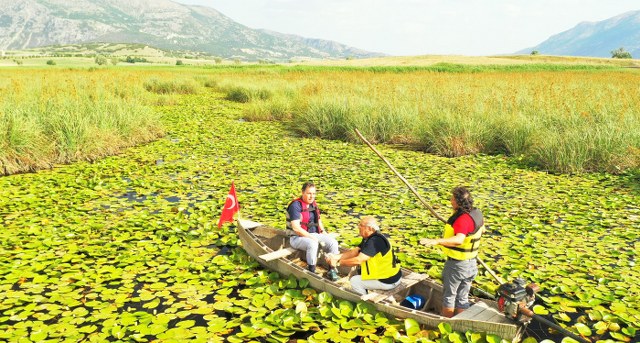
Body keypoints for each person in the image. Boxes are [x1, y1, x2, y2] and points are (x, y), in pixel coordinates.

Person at [420, 186, 485, 318]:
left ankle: (446, 323)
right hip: (471, 263)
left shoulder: (462, 220)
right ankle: (460, 322)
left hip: (457, 265)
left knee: (449, 296)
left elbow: (459, 239)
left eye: (452, 198)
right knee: (463, 296)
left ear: (458, 202)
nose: (450, 201)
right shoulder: (476, 213)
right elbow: (482, 229)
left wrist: (437, 241)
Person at [327, 216, 402, 295]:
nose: (358, 226)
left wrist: (338, 263)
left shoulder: (375, 241)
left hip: (388, 280)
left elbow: (358, 260)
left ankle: (363, 302)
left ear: (369, 228)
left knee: (355, 281)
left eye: (361, 225)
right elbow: (354, 252)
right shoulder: (368, 238)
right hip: (389, 276)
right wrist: (335, 257)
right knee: (359, 274)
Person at [286, 182, 340, 281]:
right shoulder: (295, 206)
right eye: (309, 193)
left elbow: (318, 221)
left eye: (313, 194)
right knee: (313, 243)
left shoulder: (313, 204)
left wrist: (324, 233)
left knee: (333, 242)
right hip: (297, 238)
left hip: (312, 234)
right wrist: (312, 238)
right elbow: (296, 228)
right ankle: (311, 270)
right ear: (302, 192)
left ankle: (331, 269)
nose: (312, 196)